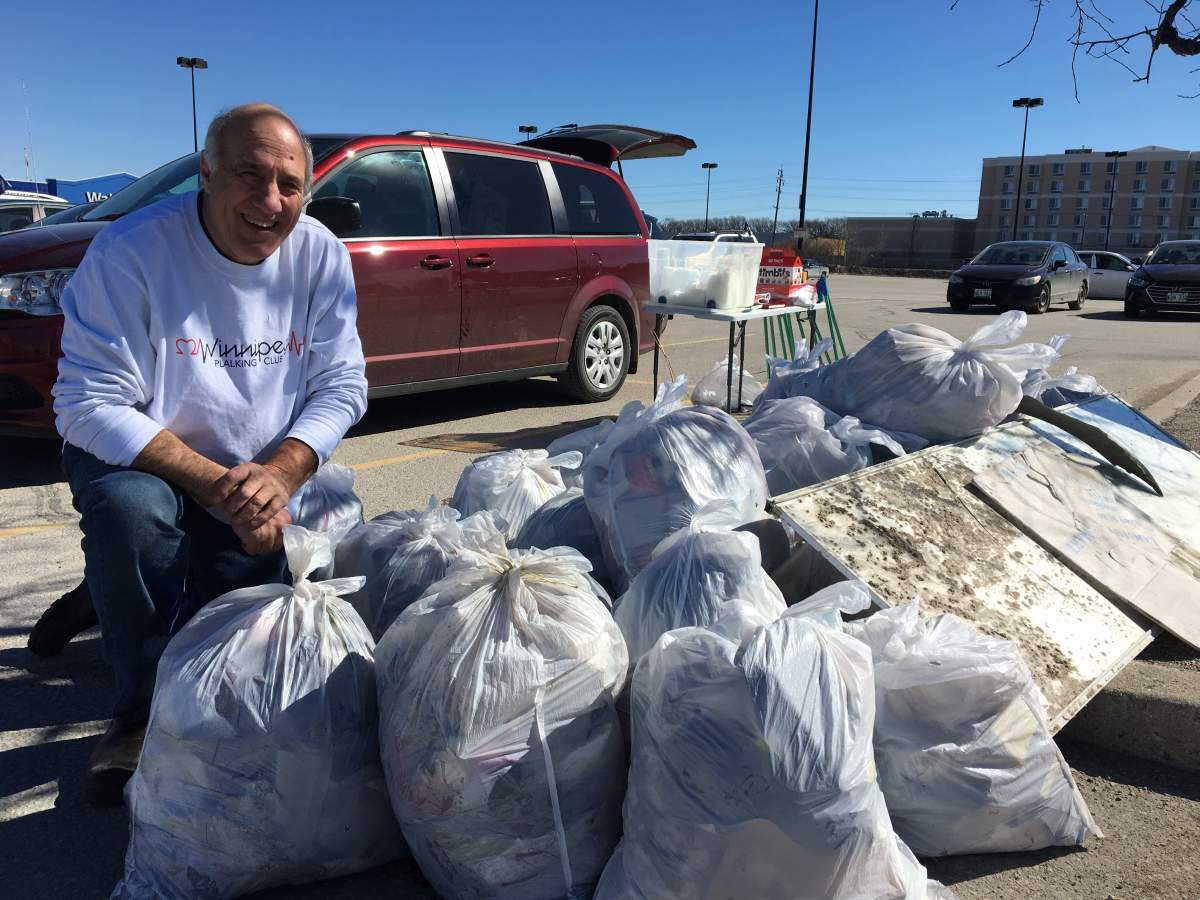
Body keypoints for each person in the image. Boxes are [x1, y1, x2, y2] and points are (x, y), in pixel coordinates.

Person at [50, 103, 368, 802]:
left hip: (256, 468)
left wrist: (280, 474)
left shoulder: (318, 254)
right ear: (206, 173)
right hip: (142, 458)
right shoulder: (132, 251)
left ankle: (111, 591)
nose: (270, 201)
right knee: (131, 517)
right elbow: (87, 402)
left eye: (289, 184)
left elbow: (343, 383)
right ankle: (135, 716)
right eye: (249, 176)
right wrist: (221, 487)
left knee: (235, 605)